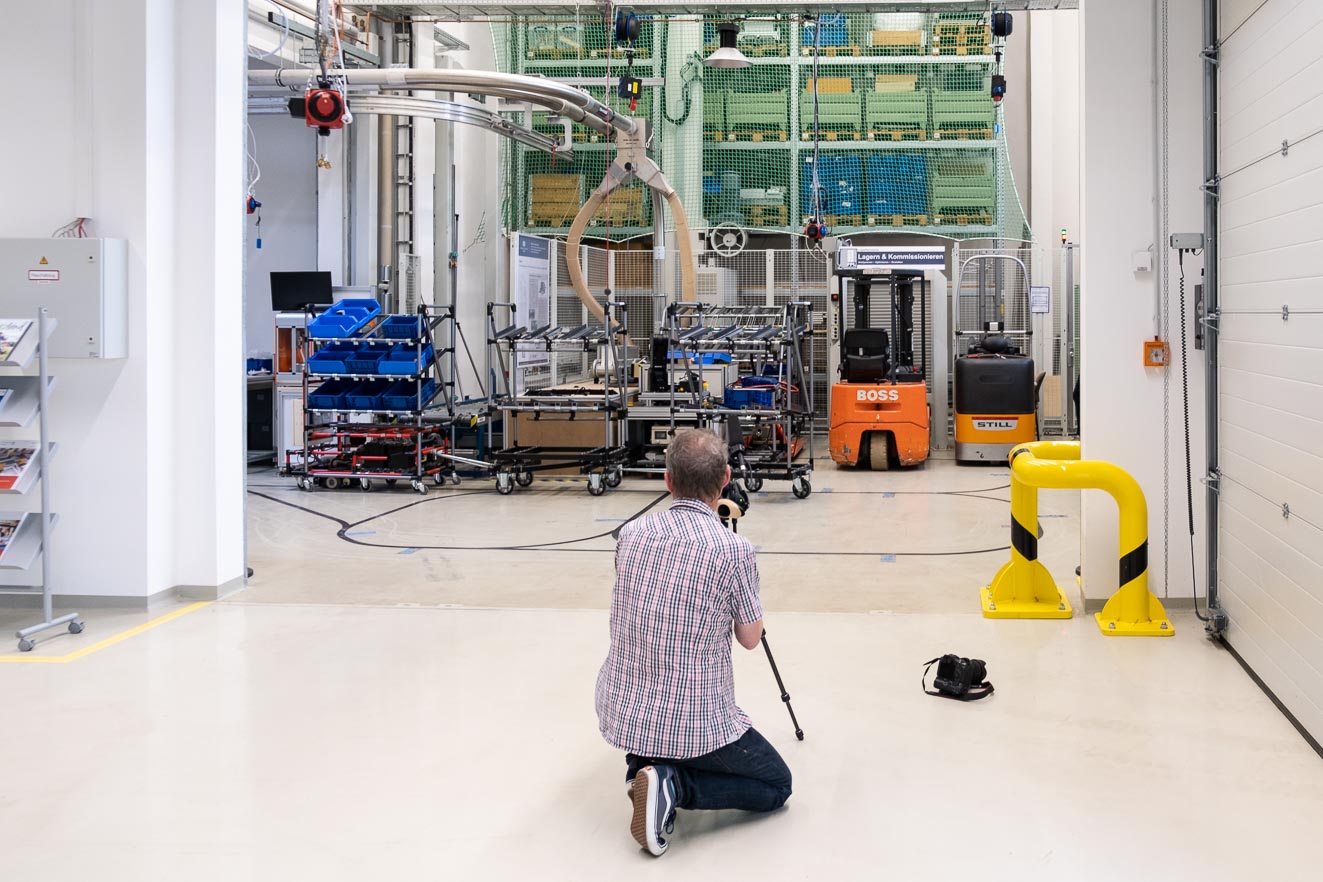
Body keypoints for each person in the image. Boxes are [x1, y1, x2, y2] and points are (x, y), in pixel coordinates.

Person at [594, 428, 792, 857]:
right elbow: (749, 639)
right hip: (696, 718)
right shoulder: (732, 549)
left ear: (667, 480)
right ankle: (676, 786)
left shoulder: (631, 535)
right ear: (724, 479)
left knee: (656, 732)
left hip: (626, 707)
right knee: (777, 785)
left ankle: (644, 769)